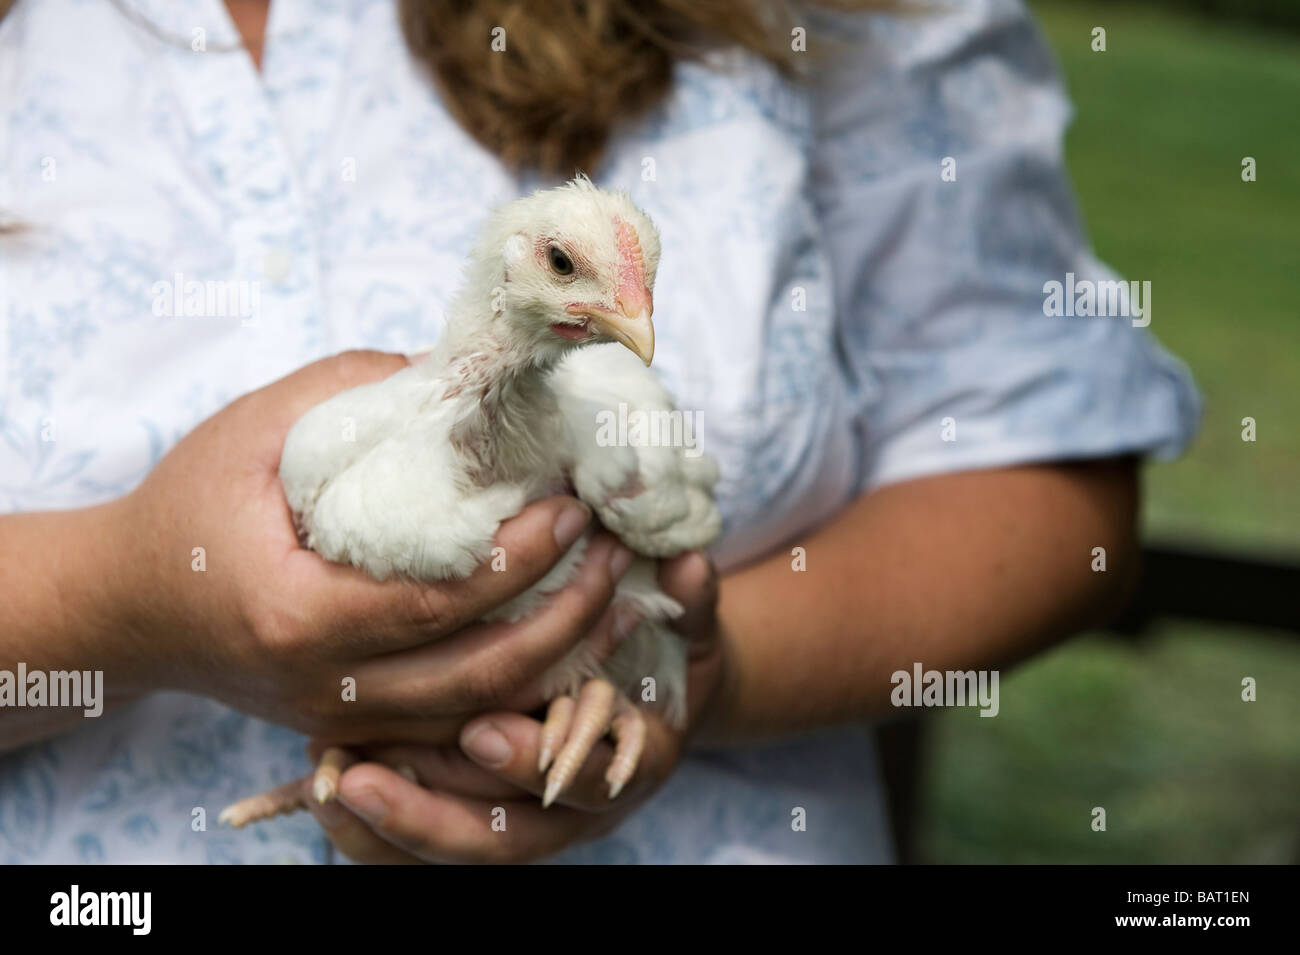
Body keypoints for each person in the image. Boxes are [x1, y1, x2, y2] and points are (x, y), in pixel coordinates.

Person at [0, 0, 1198, 864]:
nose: (634, 322)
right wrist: (121, 602)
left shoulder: (615, 419)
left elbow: (1041, 471)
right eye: (579, 274)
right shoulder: (352, 441)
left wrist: (691, 675)